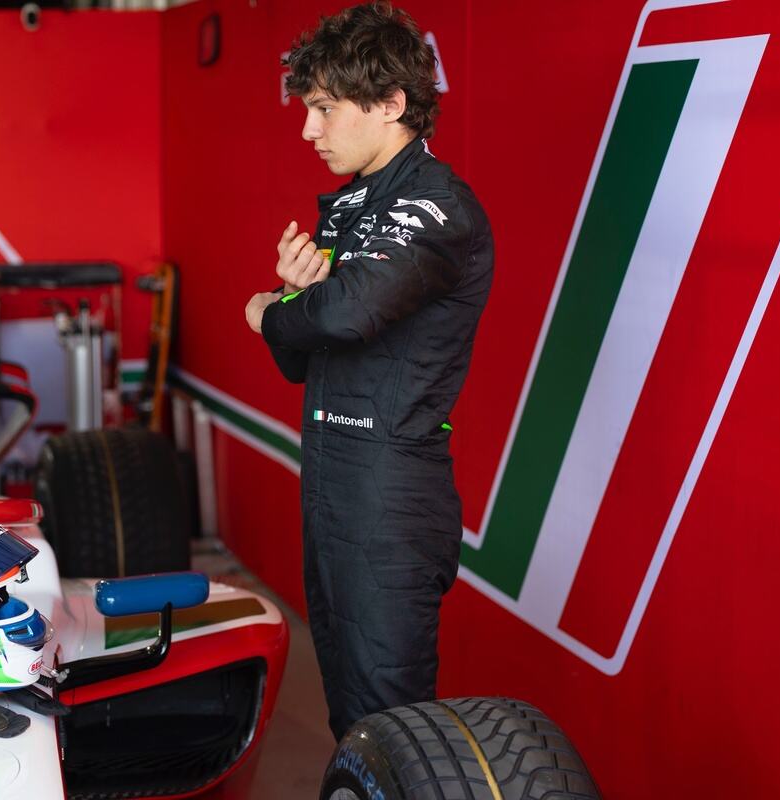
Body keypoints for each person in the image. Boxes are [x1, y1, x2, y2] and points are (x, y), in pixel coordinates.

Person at [244, 2, 493, 741]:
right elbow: (305, 356)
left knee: (392, 721)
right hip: (332, 481)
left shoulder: (439, 205)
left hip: (391, 494)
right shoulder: (352, 207)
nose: (308, 130)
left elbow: (344, 317)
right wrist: (296, 301)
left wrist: (270, 310)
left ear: (391, 105)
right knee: (351, 715)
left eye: (323, 108)